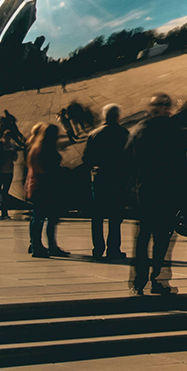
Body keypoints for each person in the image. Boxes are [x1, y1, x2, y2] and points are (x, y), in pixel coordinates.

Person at [128, 93, 187, 295]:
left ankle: (139, 281)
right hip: (166, 190)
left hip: (145, 190)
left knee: (143, 237)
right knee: (162, 239)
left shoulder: (138, 130)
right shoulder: (173, 130)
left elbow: (128, 162)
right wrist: (186, 196)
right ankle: (156, 280)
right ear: (166, 108)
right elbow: (180, 165)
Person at [84, 104, 130, 262]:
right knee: (115, 216)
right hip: (117, 177)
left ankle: (98, 249)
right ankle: (113, 249)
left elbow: (87, 159)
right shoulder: (123, 133)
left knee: (97, 215)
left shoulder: (94, 134)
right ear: (117, 117)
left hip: (99, 177)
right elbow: (128, 157)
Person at [25, 123, 70, 258]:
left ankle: (36, 245)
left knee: (38, 217)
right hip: (47, 187)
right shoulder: (46, 151)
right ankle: (45, 246)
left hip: (38, 186)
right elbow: (50, 171)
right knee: (48, 218)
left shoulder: (35, 149)